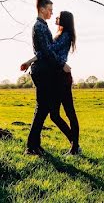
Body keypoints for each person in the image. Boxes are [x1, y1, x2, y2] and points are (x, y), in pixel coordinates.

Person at [21, 8, 81, 155]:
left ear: (64, 21)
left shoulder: (65, 35)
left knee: (69, 112)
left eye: (58, 17)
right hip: (57, 77)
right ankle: (75, 144)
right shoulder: (60, 35)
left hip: (62, 78)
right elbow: (47, 52)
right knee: (54, 115)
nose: (55, 18)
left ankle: (75, 147)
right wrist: (29, 62)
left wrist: (31, 60)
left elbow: (48, 51)